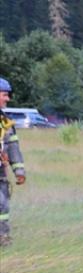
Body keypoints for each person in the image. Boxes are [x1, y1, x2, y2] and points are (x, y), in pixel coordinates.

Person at [0, 78, 27, 247]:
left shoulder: (5, 122)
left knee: (2, 206)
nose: (7, 99)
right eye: (4, 95)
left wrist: (19, 171)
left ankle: (3, 238)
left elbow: (13, 148)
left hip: (1, 174)